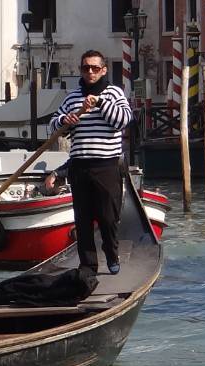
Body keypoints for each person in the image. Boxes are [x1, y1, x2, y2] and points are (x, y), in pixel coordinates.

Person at [46, 49, 133, 275]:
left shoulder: (114, 93)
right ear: (81, 70)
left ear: (103, 70)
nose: (91, 72)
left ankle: (112, 254)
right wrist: (65, 120)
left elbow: (122, 121)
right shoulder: (73, 97)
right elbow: (53, 126)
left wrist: (101, 104)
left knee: (108, 218)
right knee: (82, 220)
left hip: (107, 165)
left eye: (95, 68)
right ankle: (88, 265)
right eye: (86, 68)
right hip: (80, 165)